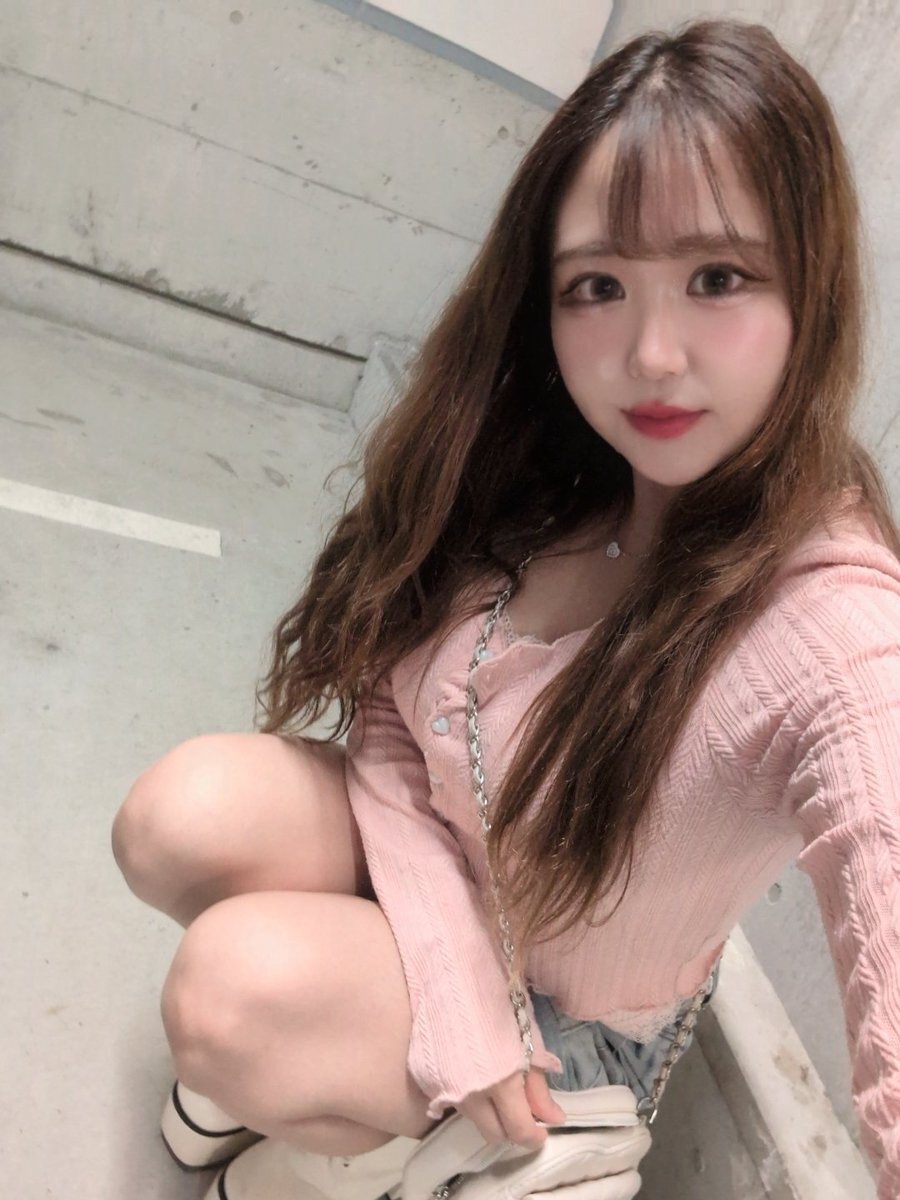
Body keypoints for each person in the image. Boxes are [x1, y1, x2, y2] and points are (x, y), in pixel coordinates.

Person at [111, 16, 900, 1200]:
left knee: (232, 994)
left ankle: (432, 1130)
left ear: (812, 285)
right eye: (599, 286)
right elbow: (393, 704)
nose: (651, 354)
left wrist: (485, 1017)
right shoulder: (561, 464)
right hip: (437, 858)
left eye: (718, 277)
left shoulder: (832, 624)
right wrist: (447, 972)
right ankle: (363, 1081)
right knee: (176, 816)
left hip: (565, 1029)